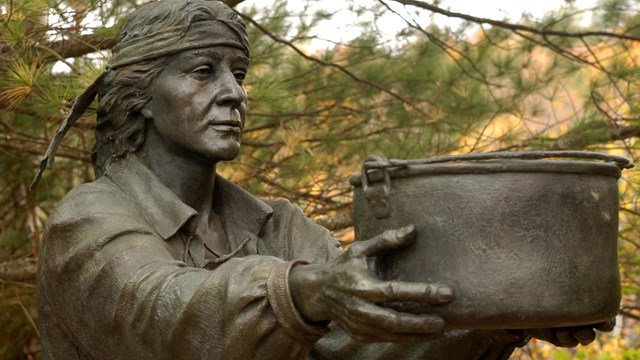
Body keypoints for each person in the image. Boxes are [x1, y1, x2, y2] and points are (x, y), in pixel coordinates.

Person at [34, 1, 613, 359]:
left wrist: (499, 323)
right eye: (202, 72)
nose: (233, 93)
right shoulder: (89, 221)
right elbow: (161, 315)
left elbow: (360, 346)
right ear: (141, 99)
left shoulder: (277, 226)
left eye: (238, 74)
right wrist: (302, 291)